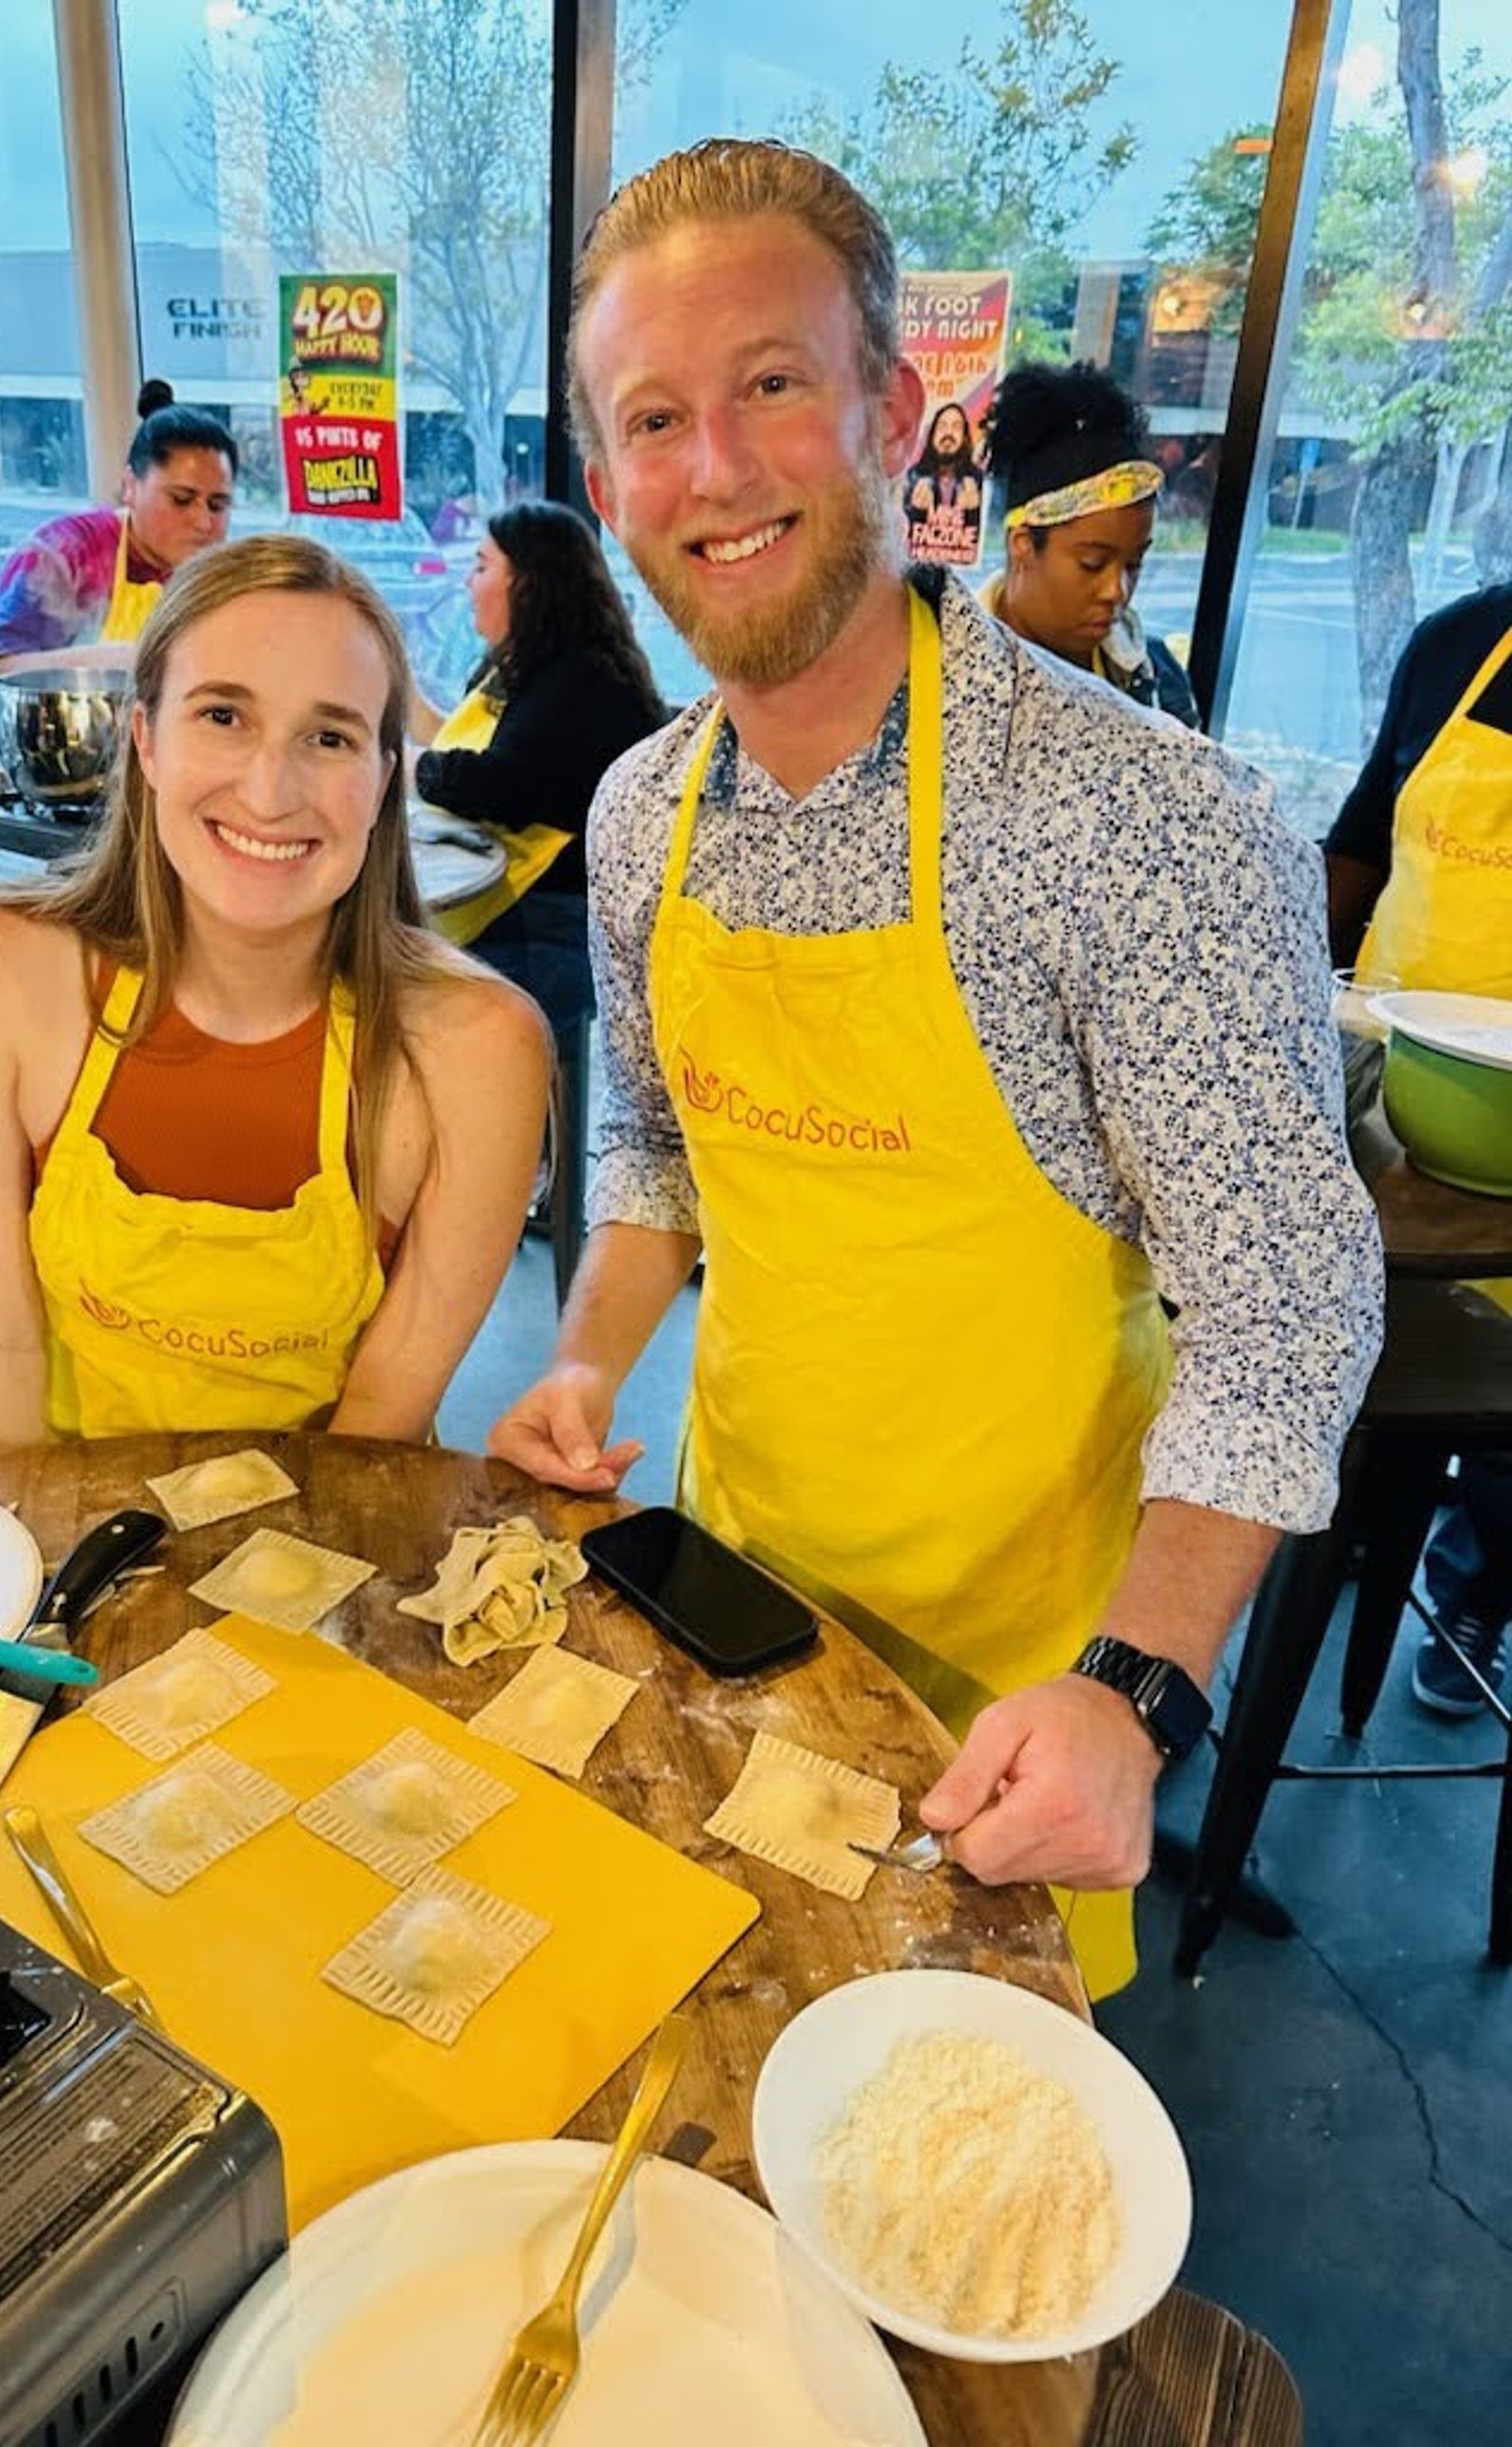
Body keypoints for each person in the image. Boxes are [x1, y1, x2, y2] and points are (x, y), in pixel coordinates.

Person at [488, 137, 1382, 1998]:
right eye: (657, 417)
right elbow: (655, 1142)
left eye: (772, 386)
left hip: (1025, 1670)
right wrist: (582, 1362)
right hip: (736, 1593)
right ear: (606, 484)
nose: (713, 467)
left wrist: (1140, 1684)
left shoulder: (1144, 818)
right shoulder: (643, 810)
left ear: (897, 411)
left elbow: (1286, 1299)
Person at [0, 533, 550, 1459]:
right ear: (145, 739)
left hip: (330, 1551)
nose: (269, 789)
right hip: (59, 1555)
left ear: (381, 783)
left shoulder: (479, 1050)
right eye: (222, 716)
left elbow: (378, 1426)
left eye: (329, 737)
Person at [1325, 579, 1512, 1719]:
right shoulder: (1459, 642)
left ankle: (1478, 1579)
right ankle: (1338, 1516)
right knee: (1329, 1351)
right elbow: (1361, 842)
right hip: (1399, 1117)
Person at [407, 501, 666, 1034]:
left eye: (481, 566)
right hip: (533, 904)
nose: (467, 583)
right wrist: (397, 683)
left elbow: (495, 786)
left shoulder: (583, 683)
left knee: (400, 981)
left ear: (529, 584)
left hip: (562, 922)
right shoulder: (530, 665)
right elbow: (461, 745)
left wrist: (400, 769)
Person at [0, 380, 237, 687]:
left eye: (218, 505)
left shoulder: (220, 579)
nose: (204, 522)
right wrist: (116, 661)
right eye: (181, 499)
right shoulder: (64, 553)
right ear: (130, 486)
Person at [980, 362, 1201, 727]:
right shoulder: (945, 671)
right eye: (1093, 563)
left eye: (1134, 564)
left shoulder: (1160, 684)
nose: (1117, 591)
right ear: (1022, 545)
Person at [903, 400, 983, 564]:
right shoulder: (913, 477)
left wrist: (972, 514)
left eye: (956, 427)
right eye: (942, 426)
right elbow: (902, 545)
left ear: (965, 437)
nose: (948, 433)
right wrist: (917, 514)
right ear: (932, 435)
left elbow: (979, 552)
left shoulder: (978, 480)